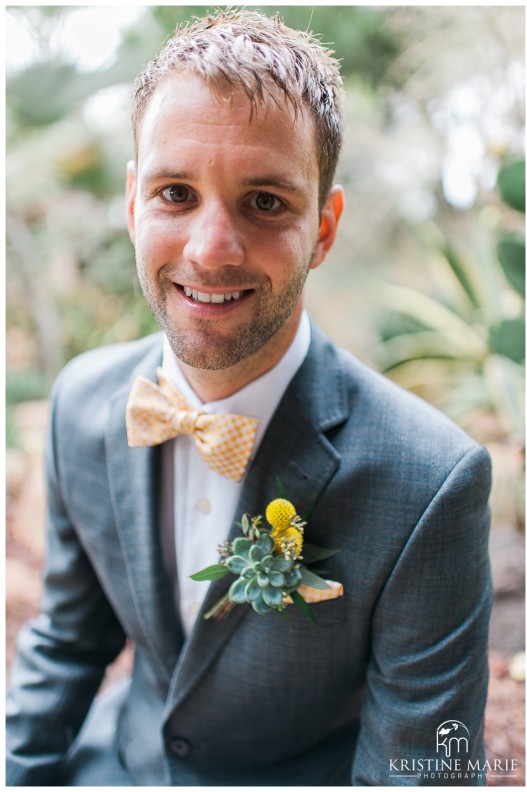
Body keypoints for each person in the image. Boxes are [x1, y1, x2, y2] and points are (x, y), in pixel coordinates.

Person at [6, 9, 492, 786]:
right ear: (133, 204)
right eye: (174, 192)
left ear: (324, 228)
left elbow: (422, 769)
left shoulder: (431, 482)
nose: (209, 250)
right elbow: (68, 642)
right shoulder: (81, 404)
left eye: (265, 201)